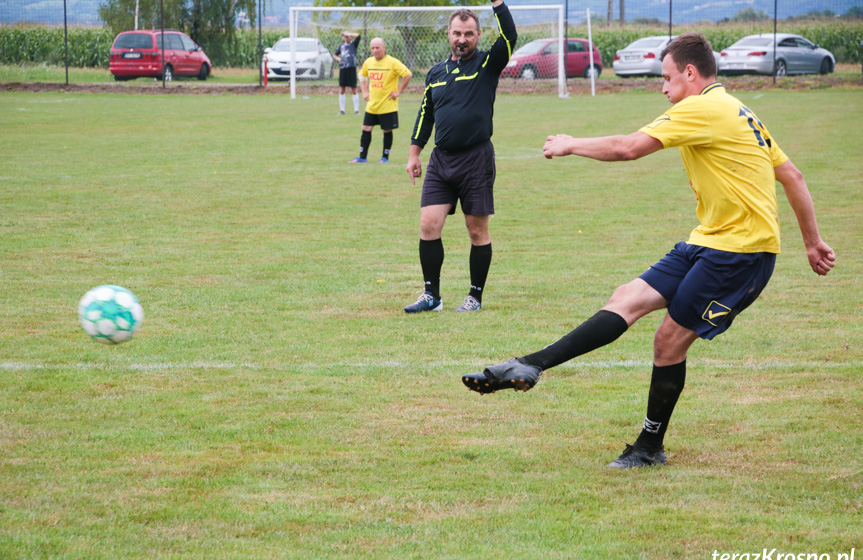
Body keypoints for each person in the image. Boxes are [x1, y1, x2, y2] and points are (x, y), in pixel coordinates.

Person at [461, 33, 836, 468]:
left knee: (668, 342)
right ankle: (529, 365)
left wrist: (570, 144)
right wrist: (811, 242)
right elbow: (793, 175)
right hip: (708, 240)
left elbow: (628, 148)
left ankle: (649, 446)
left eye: (668, 78)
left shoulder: (701, 107)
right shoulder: (737, 108)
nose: (664, 88)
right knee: (627, 297)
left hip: (741, 255)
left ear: (690, 74)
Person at [404, 0, 517, 314]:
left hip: (476, 159)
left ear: (478, 35)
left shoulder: (487, 64)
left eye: (469, 33)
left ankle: (474, 297)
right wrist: (415, 154)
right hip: (441, 161)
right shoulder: (436, 73)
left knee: (476, 230)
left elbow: (509, 36)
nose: (462, 39)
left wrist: (498, 4)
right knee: (428, 225)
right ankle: (432, 296)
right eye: (457, 33)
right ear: (449, 35)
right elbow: (426, 115)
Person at [348, 38, 413, 164]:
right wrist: (365, 91)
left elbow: (407, 74)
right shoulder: (369, 62)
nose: (375, 50)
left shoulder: (392, 62)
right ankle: (362, 157)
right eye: (372, 48)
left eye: (377, 47)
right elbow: (362, 75)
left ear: (384, 48)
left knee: (387, 130)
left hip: (387, 104)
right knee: (366, 128)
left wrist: (399, 91)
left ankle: (385, 157)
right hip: (372, 104)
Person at [333, 31, 361, 115]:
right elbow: (334, 55)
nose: (346, 38)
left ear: (350, 37)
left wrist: (350, 33)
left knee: (354, 89)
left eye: (347, 36)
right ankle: (342, 110)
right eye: (345, 37)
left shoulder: (353, 44)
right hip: (343, 69)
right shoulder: (341, 46)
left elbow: (359, 36)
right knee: (342, 89)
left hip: (351, 68)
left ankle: (356, 110)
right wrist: (338, 59)